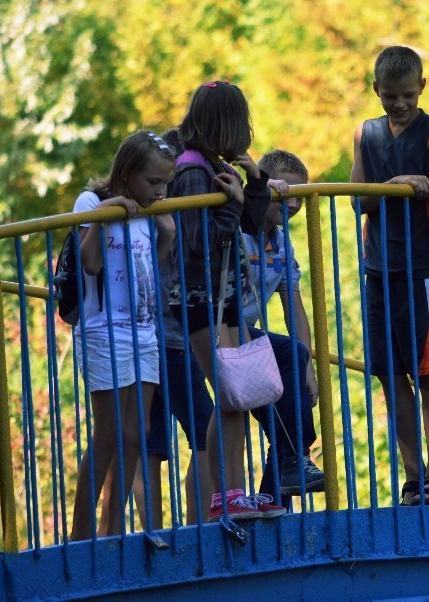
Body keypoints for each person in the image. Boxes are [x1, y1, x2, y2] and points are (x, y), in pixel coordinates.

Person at [350, 46, 429, 506]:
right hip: (379, 269)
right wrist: (392, 185)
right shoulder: (365, 134)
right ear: (376, 91)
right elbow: (358, 199)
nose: (400, 103)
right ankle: (413, 477)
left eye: (408, 94)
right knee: (390, 374)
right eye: (391, 96)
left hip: (427, 269)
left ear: (422, 87)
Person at [167, 80, 284, 521]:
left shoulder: (215, 165)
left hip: (225, 295)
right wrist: (232, 204)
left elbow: (251, 226)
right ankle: (224, 496)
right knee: (230, 395)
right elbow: (198, 242)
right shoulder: (191, 171)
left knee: (239, 396)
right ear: (226, 123)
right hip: (199, 297)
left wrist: (254, 182)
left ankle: (235, 492)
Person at [68, 131, 177, 540]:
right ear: (128, 173)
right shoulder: (91, 201)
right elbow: (91, 263)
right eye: (154, 181)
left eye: (165, 182)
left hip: (143, 330)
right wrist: (106, 213)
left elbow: (147, 267)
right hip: (103, 330)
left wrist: (166, 235)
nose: (160, 190)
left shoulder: (149, 211)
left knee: (136, 432)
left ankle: (112, 526)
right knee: (110, 431)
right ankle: (81, 534)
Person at [246, 149, 325, 498]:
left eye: (299, 197)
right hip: (214, 328)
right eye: (283, 193)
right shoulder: (237, 226)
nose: (292, 204)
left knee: (292, 371)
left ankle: (274, 493)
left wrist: (308, 366)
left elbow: (294, 306)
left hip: (241, 334)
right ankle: (295, 460)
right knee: (283, 363)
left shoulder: (281, 243)